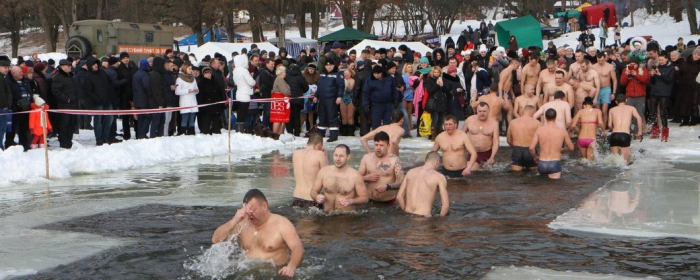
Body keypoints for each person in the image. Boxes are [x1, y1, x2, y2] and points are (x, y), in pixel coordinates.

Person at [211, 189, 304, 277]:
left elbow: (298, 248)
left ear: (264, 206)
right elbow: (216, 240)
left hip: (275, 274)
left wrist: (291, 266)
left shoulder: (282, 224)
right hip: (247, 273)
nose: (249, 215)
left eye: (252, 210)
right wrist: (234, 220)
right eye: (247, 211)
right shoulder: (242, 224)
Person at [310, 144, 369, 212]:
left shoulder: (355, 175)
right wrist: (316, 197)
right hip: (326, 215)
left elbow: (365, 198)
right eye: (336, 155)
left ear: (348, 156)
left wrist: (351, 201)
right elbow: (313, 191)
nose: (338, 159)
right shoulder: (324, 172)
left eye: (341, 156)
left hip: (345, 217)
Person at [358, 131, 405, 204]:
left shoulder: (394, 160)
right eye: (376, 145)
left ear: (388, 145)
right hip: (369, 201)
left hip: (388, 202)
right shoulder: (366, 158)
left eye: (381, 145)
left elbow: (402, 181)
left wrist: (387, 187)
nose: (378, 148)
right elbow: (355, 178)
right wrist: (365, 178)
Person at [397, 151, 449, 216]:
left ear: (425, 160)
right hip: (423, 219)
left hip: (407, 215)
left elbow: (399, 196)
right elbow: (445, 206)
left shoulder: (410, 172)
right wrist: (439, 220)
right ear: (437, 162)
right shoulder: (439, 177)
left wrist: (405, 211)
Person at [529, 108, 574, 179]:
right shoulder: (562, 131)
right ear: (555, 117)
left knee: (541, 188)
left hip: (542, 163)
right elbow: (571, 147)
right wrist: (563, 150)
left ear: (545, 117)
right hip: (555, 163)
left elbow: (531, 148)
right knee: (554, 188)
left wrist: (535, 157)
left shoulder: (539, 130)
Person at [83, 58, 116, 146]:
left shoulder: (102, 72)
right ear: (90, 66)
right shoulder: (88, 76)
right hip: (97, 102)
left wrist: (109, 94)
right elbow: (89, 91)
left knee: (110, 118)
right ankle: (99, 139)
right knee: (98, 121)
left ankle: (105, 136)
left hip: (107, 100)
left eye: (96, 64)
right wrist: (97, 99)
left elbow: (110, 83)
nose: (95, 65)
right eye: (93, 64)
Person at [291, 134, 328, 208]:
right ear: (320, 145)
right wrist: (325, 157)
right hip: (311, 199)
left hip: (296, 198)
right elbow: (328, 176)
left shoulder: (295, 153)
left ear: (308, 143)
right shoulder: (319, 154)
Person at [51, 59, 79, 149]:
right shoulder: (58, 77)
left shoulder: (70, 76)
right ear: (62, 67)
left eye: (70, 65)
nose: (70, 67)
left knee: (71, 124)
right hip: (64, 105)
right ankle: (63, 142)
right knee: (64, 125)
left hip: (73, 105)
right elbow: (56, 91)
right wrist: (66, 99)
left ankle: (69, 140)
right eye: (68, 66)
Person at [463, 102, 500, 170]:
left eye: (484, 111)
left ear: (488, 111)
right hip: (473, 153)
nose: (482, 113)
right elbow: (461, 136)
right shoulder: (469, 120)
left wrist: (492, 157)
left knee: (486, 176)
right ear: (476, 111)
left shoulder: (494, 123)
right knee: (472, 172)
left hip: (487, 153)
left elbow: (496, 142)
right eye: (480, 111)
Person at [608, 94, 643, 163]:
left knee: (614, 161)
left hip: (614, 134)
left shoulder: (611, 110)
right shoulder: (631, 108)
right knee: (625, 163)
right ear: (626, 100)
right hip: (625, 135)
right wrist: (640, 132)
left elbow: (609, 125)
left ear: (616, 102)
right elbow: (639, 118)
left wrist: (613, 129)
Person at [619, 56, 649, 137]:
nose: (633, 66)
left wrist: (636, 75)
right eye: (631, 64)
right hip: (629, 95)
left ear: (637, 64)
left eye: (634, 64)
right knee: (628, 114)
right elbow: (622, 83)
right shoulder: (625, 70)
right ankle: (627, 131)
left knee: (639, 114)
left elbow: (646, 80)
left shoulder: (642, 70)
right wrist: (626, 75)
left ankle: (637, 132)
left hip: (640, 95)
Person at [649, 51, 674, 141]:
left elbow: (669, 80)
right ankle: (655, 130)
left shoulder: (671, 68)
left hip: (664, 93)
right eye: (659, 60)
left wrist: (661, 75)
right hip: (654, 92)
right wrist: (652, 75)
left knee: (663, 113)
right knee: (652, 113)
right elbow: (652, 82)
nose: (661, 61)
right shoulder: (657, 67)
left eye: (662, 60)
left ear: (667, 59)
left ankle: (665, 132)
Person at [364, 65, 399, 131]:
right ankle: (377, 137)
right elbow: (366, 93)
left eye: (378, 73)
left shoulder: (389, 78)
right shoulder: (369, 80)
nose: (377, 75)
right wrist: (366, 104)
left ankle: (386, 137)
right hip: (376, 105)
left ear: (382, 73)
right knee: (376, 123)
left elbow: (394, 90)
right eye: (375, 73)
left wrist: (396, 99)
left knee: (388, 123)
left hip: (388, 104)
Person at [316, 61, 343, 141]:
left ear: (334, 65)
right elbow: (319, 87)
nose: (329, 67)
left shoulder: (338, 74)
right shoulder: (322, 74)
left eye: (331, 65)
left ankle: (333, 135)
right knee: (322, 117)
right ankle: (320, 134)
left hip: (332, 99)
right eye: (327, 65)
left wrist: (339, 96)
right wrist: (316, 96)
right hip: (322, 99)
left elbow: (341, 86)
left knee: (332, 117)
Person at [507, 105, 540, 171]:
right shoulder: (537, 123)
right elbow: (541, 140)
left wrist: (514, 147)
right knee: (532, 174)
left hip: (517, 150)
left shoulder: (512, 122)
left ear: (522, 112)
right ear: (532, 112)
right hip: (530, 151)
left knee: (516, 174)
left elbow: (508, 140)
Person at [590, 52, 617, 127]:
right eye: (598, 60)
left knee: (604, 110)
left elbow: (614, 80)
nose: (600, 62)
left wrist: (613, 92)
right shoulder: (593, 67)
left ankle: (604, 128)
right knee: (598, 110)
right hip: (597, 89)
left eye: (602, 60)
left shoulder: (610, 67)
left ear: (605, 58)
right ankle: (599, 127)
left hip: (606, 89)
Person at [196, 67, 224, 134]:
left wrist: (220, 101)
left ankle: (216, 130)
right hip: (206, 105)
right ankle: (206, 131)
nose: (208, 74)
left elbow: (219, 92)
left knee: (216, 119)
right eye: (206, 73)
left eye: (209, 73)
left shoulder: (215, 81)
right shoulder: (201, 83)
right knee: (206, 119)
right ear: (203, 74)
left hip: (215, 104)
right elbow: (200, 95)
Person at [232, 55, 256, 133]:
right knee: (244, 113)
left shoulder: (235, 70)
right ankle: (241, 129)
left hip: (239, 92)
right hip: (245, 93)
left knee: (239, 112)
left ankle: (238, 129)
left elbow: (235, 82)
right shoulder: (244, 71)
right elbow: (251, 82)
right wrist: (252, 79)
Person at [174, 62, 198, 135]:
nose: (191, 70)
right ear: (185, 69)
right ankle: (183, 131)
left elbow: (196, 88)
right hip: (185, 101)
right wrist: (187, 91)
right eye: (189, 69)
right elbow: (177, 91)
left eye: (191, 69)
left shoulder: (193, 79)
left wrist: (196, 90)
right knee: (185, 118)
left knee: (192, 119)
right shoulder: (179, 79)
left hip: (193, 101)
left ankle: (191, 131)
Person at [285, 64, 309, 136]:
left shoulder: (286, 76)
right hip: (298, 100)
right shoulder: (301, 77)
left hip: (288, 99)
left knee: (288, 116)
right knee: (296, 116)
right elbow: (306, 88)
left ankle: (289, 132)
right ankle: (297, 132)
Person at [132, 60, 151, 139]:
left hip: (137, 98)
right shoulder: (144, 74)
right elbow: (146, 86)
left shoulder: (136, 74)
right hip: (144, 99)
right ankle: (143, 133)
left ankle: (139, 133)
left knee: (140, 118)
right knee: (146, 117)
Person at [271, 66, 290, 135]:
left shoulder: (279, 79)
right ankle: (275, 134)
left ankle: (277, 134)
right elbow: (285, 91)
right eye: (284, 72)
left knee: (279, 119)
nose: (285, 73)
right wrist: (289, 92)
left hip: (278, 101)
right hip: (279, 101)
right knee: (277, 118)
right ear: (281, 72)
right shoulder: (280, 79)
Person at [340, 69, 356, 136]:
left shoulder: (352, 80)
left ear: (350, 73)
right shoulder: (341, 80)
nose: (345, 74)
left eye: (346, 73)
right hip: (343, 99)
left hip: (350, 99)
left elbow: (349, 89)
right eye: (344, 73)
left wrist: (345, 83)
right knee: (344, 117)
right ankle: (343, 131)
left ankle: (351, 132)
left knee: (350, 117)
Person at [0, 60, 11, 150]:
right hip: (1, 108)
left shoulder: (3, 78)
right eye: (5, 67)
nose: (7, 69)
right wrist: (4, 104)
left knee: (2, 129)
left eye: (8, 67)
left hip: (4, 108)